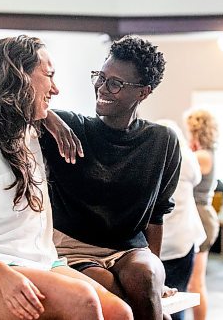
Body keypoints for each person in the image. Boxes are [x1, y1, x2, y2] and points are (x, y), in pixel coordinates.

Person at [0, 35, 132, 320]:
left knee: (120, 313)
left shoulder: (26, 135)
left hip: (35, 262)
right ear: (19, 78)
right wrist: (7, 278)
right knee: (81, 301)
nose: (56, 89)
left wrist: (48, 117)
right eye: (49, 76)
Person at [40, 35, 181, 320]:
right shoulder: (69, 128)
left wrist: (156, 281)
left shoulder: (162, 141)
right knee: (112, 293)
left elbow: (157, 215)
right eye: (100, 77)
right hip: (73, 249)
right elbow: (5, 107)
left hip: (129, 248)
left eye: (115, 83)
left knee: (146, 276)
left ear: (143, 92)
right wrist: (46, 116)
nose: (102, 88)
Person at [156, 119, 207, 320]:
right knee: (178, 298)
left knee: (157, 300)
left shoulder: (149, 156)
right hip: (182, 241)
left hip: (156, 241)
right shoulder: (186, 156)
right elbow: (197, 180)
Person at [185, 109, 219, 320]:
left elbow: (180, 160)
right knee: (193, 282)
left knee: (196, 282)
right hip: (197, 216)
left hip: (201, 218)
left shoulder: (203, 155)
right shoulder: (203, 153)